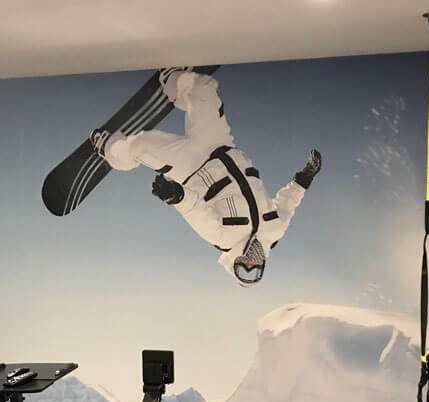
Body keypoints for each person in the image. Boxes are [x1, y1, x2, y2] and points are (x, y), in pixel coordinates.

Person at [90, 67, 321, 286]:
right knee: (204, 89)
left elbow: (196, 211)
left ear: (234, 267)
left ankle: (109, 149)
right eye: (254, 271)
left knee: (141, 145)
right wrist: (305, 178)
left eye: (244, 271)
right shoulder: (275, 230)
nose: (250, 265)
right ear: (263, 267)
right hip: (219, 145)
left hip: (191, 167)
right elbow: (288, 203)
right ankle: (172, 81)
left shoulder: (223, 239)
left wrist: (177, 196)